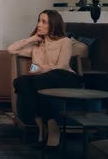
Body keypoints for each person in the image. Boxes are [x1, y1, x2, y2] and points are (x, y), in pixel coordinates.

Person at [7, 10, 82, 150]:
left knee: (41, 79)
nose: (39, 24)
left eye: (44, 22)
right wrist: (32, 39)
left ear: (53, 24)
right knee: (20, 82)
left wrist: (42, 70)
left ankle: (53, 129)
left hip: (64, 77)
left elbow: (62, 65)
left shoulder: (64, 41)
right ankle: (41, 125)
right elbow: (11, 49)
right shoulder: (36, 47)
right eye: (39, 21)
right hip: (43, 79)